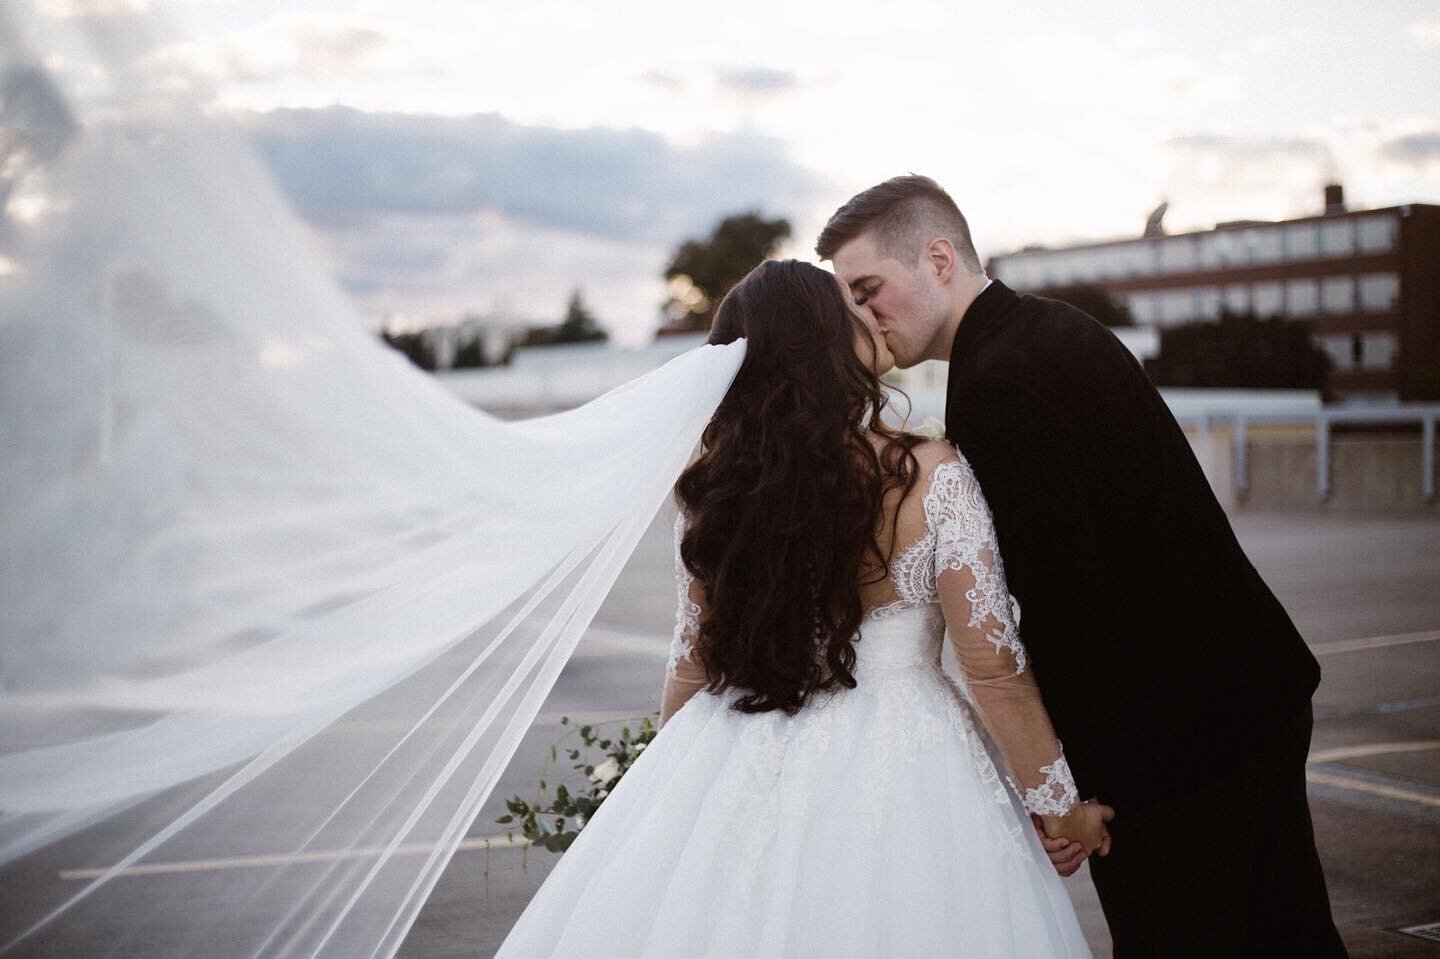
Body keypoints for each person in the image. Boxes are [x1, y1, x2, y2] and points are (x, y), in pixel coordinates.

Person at [494, 258, 1109, 958]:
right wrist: (1063, 810)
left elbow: (690, 663)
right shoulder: (929, 475)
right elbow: (993, 667)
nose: (870, 317)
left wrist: (671, 802)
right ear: (823, 341)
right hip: (908, 767)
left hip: (736, 744)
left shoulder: (715, 492)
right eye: (851, 308)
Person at [817, 174, 1349, 957]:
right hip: (1255, 689)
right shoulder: (1057, 327)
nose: (862, 318)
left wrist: (1069, 793)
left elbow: (1066, 605)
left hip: (1175, 748)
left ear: (937, 258)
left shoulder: (994, 385)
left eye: (868, 289)